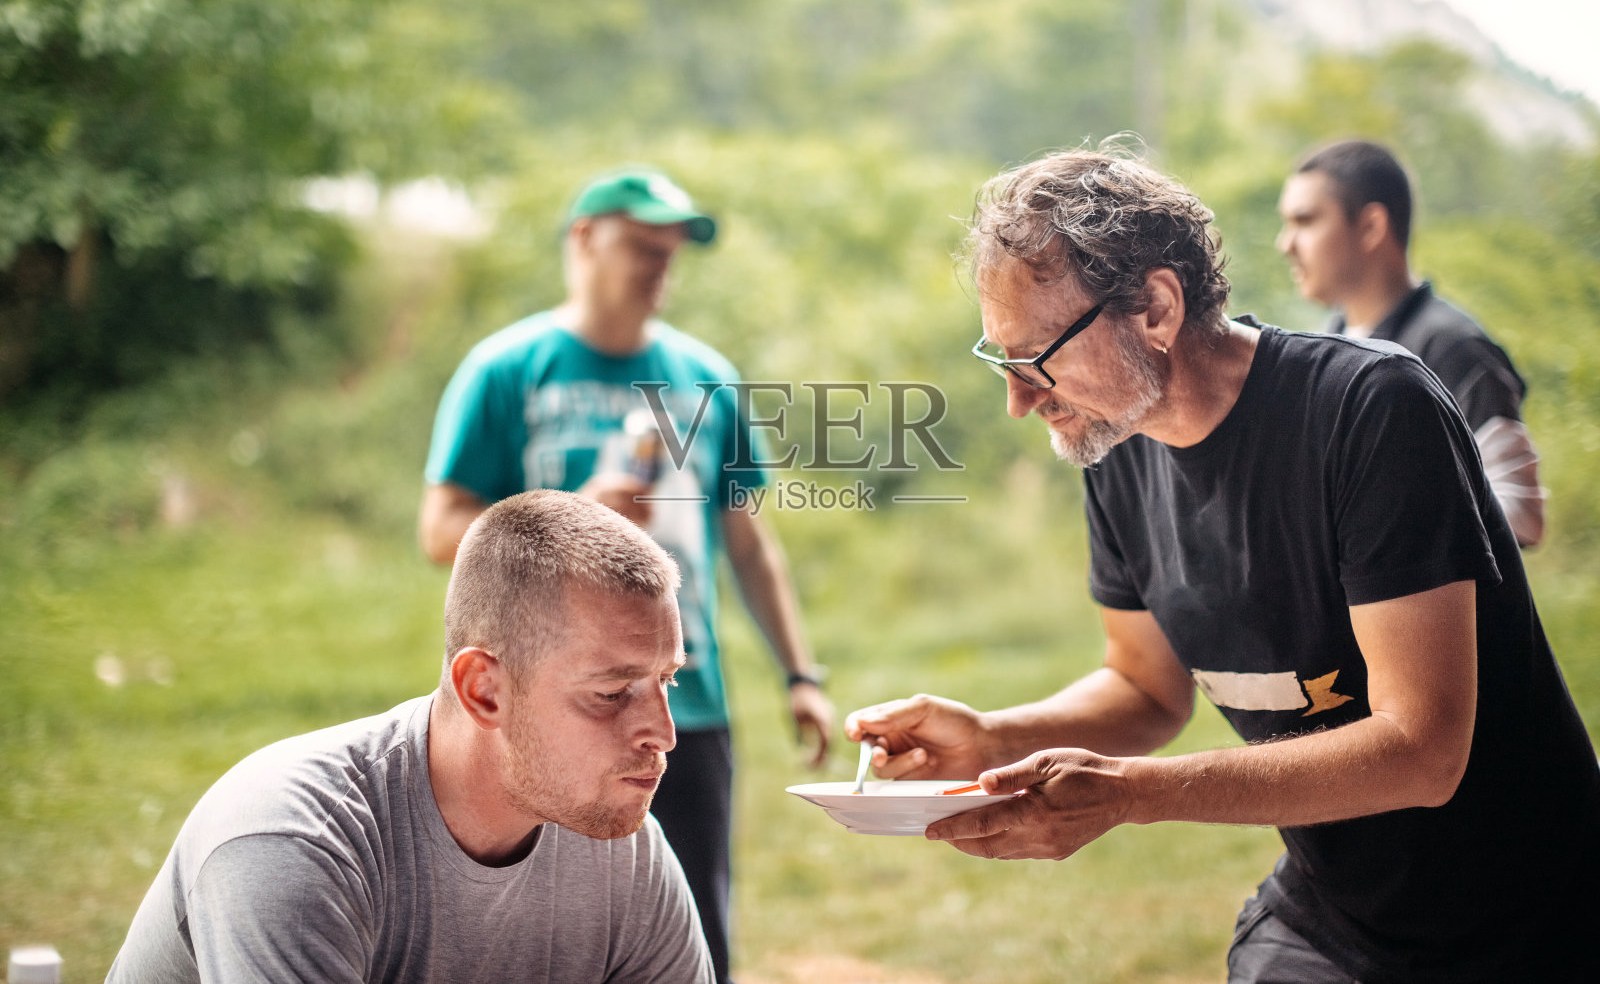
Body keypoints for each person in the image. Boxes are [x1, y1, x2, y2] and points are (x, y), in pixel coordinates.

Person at [847, 149, 1599, 982]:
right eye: (1003, 361)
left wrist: (1132, 793)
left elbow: (1422, 750)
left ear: (1157, 309)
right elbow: (1144, 690)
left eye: (1038, 358)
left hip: (1532, 920)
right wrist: (995, 735)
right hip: (1332, 916)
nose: (1021, 399)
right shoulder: (1115, 452)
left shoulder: (1371, 410)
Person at [418, 166, 833, 983]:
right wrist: (568, 509)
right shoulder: (507, 371)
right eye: (642, 246)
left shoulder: (705, 377)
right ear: (583, 239)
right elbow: (440, 530)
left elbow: (747, 542)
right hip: (546, 709)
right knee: (534, 937)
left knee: (695, 929)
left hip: (687, 702)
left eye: (671, 251)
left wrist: (799, 672)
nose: (659, 266)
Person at [108, 489, 714, 983]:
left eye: (667, 681)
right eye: (611, 694)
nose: (663, 733)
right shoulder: (294, 842)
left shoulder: (623, 853)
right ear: (484, 691)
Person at [1278, 138, 1545, 546]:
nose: (1286, 244)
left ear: (1370, 227)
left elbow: (1523, 515)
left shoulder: (1455, 349)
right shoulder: (1321, 348)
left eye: (1306, 221)